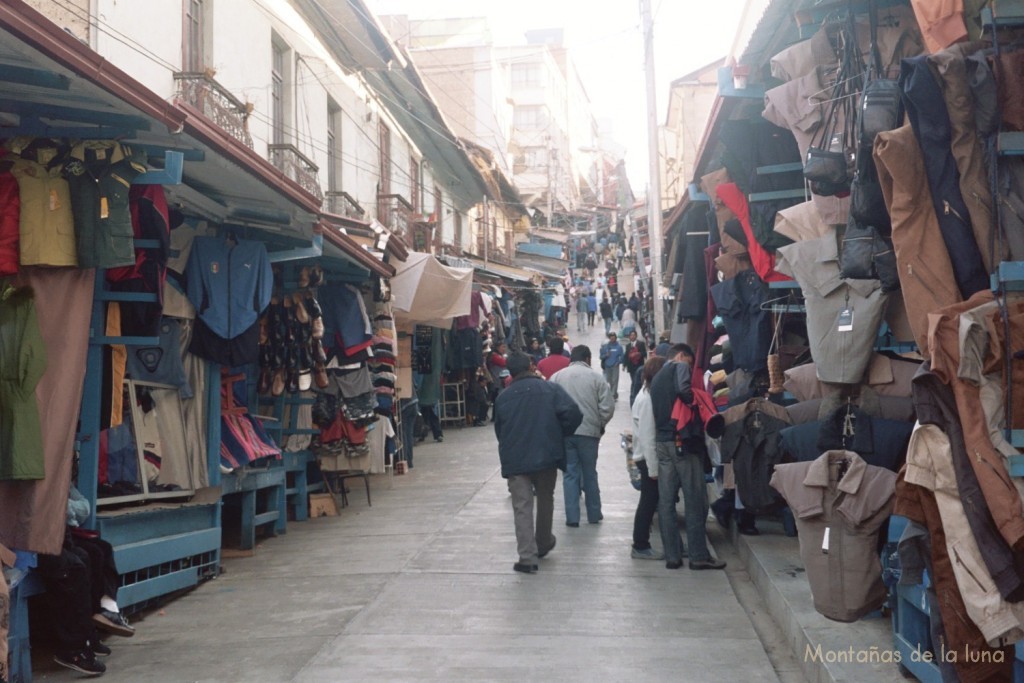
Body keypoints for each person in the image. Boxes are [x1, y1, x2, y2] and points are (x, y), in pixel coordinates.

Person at [494, 352, 583, 573]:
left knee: (522, 506)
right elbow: (573, 413)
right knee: (545, 498)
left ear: (510, 372)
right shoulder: (550, 390)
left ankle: (527, 557)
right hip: (547, 453)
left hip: (516, 458)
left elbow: (500, 431)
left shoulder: (503, 398)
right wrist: (559, 433)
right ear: (531, 366)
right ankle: (543, 543)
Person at [650, 344, 726, 571]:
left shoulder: (656, 378)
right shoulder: (679, 366)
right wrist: (695, 401)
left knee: (666, 501)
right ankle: (698, 556)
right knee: (695, 499)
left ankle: (672, 556)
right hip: (681, 441)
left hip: (662, 443)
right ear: (682, 356)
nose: (689, 368)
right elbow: (684, 390)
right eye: (690, 363)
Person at [550, 345, 615, 527]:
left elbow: (550, 405)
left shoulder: (557, 377)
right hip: (589, 433)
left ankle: (572, 517)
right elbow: (608, 407)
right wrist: (600, 424)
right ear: (588, 358)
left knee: (569, 474)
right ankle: (594, 514)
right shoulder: (596, 377)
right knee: (590, 473)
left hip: (565, 433)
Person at [631, 356, 668, 560]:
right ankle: (640, 544)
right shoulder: (647, 399)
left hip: (648, 457)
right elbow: (647, 436)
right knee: (648, 501)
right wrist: (653, 469)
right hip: (647, 459)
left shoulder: (649, 395)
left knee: (652, 501)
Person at [623, 329, 648, 406]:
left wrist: (638, 354)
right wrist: (624, 365)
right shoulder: (628, 346)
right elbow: (626, 356)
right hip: (631, 367)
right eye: (631, 335)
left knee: (637, 381)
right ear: (629, 337)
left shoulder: (640, 344)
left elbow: (645, 354)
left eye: (633, 335)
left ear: (636, 336)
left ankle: (636, 395)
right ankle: (634, 395)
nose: (632, 336)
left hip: (639, 366)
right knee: (633, 380)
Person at [598, 332, 625, 400]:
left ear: (615, 338)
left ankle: (613, 394)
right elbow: (601, 357)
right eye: (611, 338)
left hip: (615, 365)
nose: (612, 339)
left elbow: (622, 357)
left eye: (614, 337)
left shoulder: (619, 347)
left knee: (615, 380)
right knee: (609, 380)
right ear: (609, 338)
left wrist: (619, 362)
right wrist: (606, 355)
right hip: (607, 366)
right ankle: (614, 393)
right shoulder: (605, 347)